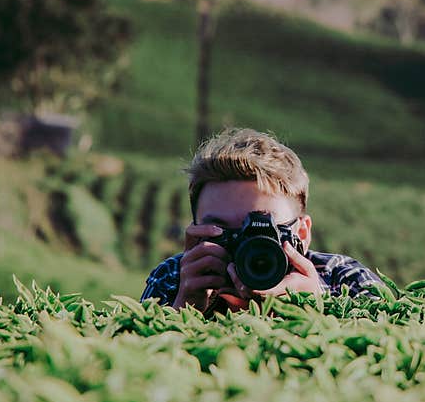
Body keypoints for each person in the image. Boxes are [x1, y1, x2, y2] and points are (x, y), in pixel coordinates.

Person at [140, 128, 382, 315]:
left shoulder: (346, 280)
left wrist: (320, 307)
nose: (247, 249)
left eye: (264, 231)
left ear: (303, 233)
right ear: (196, 233)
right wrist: (182, 308)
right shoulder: (174, 278)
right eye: (222, 232)